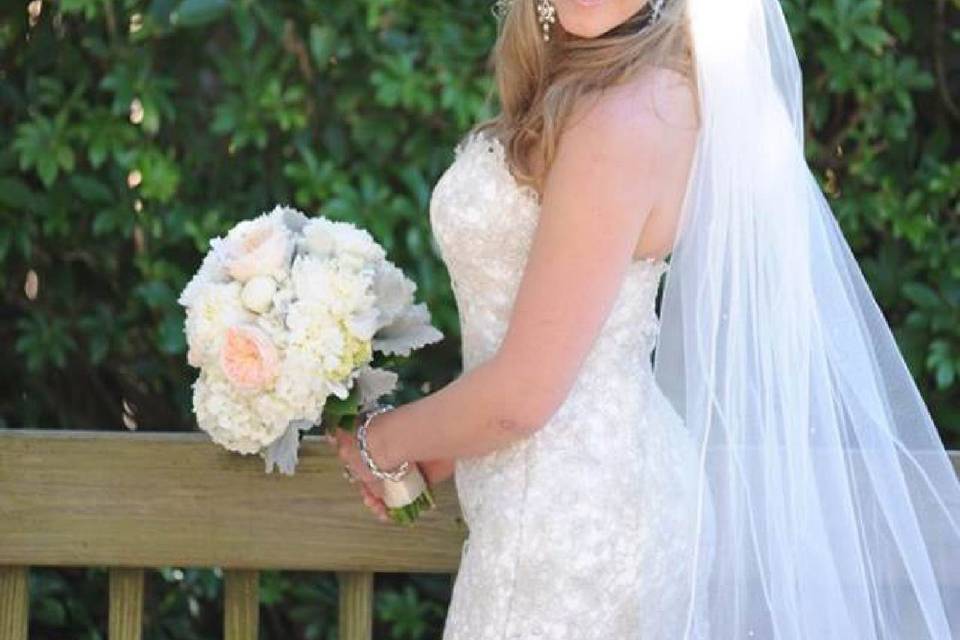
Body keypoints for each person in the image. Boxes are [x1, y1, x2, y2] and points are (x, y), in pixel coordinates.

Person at [332, 0, 960, 637]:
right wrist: (450, 442)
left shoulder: (628, 115)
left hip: (576, 520)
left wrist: (381, 441)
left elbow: (522, 397)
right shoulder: (621, 90)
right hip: (564, 487)